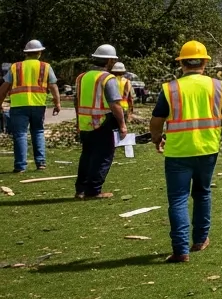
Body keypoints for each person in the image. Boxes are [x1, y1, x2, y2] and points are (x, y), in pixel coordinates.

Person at [149, 40, 222, 263]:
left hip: (178, 152)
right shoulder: (219, 87)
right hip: (208, 150)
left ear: (182, 64)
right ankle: (200, 239)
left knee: (178, 199)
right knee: (202, 193)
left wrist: (157, 138)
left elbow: (156, 121)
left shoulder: (170, 89)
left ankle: (180, 250)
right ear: (205, 63)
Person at [73, 44, 128, 199]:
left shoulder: (81, 77)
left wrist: (78, 121)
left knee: (87, 156)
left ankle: (81, 189)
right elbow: (114, 104)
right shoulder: (107, 78)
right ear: (110, 60)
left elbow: (76, 101)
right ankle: (93, 190)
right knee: (103, 156)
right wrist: (122, 125)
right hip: (102, 122)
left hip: (85, 122)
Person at [0, 40, 62, 173]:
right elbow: (53, 86)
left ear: (26, 53)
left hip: (18, 105)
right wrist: (57, 103)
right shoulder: (45, 67)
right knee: (38, 132)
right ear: (39, 52)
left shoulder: (15, 67)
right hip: (38, 104)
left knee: (20, 135)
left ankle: (20, 166)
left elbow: (4, 87)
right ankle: (40, 163)